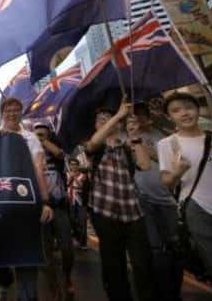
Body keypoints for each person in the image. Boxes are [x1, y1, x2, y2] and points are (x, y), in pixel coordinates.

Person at [85, 101, 153, 301]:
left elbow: (145, 165)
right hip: (104, 212)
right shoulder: (95, 146)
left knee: (143, 262)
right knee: (113, 264)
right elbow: (93, 143)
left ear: (120, 125)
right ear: (97, 126)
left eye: (111, 119)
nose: (106, 122)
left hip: (132, 211)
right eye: (101, 120)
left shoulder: (127, 146)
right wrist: (117, 116)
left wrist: (135, 137)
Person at [158, 92, 212, 299]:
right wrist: (178, 171)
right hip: (197, 209)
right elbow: (167, 183)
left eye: (189, 107)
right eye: (176, 110)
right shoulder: (168, 144)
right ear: (170, 117)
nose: (184, 113)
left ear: (197, 109)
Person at [0, 98, 53, 301]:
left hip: (27, 203)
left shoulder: (31, 138)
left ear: (21, 112)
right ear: (1, 113)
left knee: (26, 255)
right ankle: (3, 280)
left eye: (16, 109)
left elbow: (39, 169)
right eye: (8, 110)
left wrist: (45, 202)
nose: (12, 113)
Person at [127, 104, 182, 301]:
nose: (138, 119)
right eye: (134, 116)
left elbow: (173, 160)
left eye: (141, 116)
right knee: (155, 248)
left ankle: (174, 290)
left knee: (174, 246)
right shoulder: (128, 137)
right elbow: (140, 163)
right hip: (143, 198)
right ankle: (158, 290)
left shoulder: (162, 136)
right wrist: (133, 138)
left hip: (167, 198)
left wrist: (144, 144)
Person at [33, 123, 74, 299]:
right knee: (45, 252)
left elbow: (59, 154)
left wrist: (43, 140)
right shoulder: (31, 154)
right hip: (40, 208)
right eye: (36, 134)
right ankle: (53, 286)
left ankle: (66, 277)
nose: (39, 136)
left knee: (67, 248)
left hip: (58, 207)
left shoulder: (55, 153)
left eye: (43, 134)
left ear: (49, 135)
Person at [66, 158, 88, 249]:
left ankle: (83, 243)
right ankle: (76, 236)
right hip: (70, 200)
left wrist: (75, 177)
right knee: (72, 220)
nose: (73, 166)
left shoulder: (83, 176)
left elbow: (81, 186)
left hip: (80, 201)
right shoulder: (66, 174)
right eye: (72, 164)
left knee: (82, 221)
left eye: (75, 164)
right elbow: (65, 185)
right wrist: (70, 177)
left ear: (78, 166)